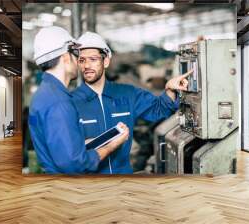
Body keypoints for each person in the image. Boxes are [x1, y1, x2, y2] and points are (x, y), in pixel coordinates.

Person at [71, 31, 191, 174]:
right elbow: (68, 151)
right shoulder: (71, 102)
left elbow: (159, 110)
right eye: (82, 60)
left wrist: (170, 90)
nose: (86, 65)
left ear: (106, 61)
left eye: (93, 59)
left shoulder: (128, 94)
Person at [28, 27, 129, 174]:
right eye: (76, 55)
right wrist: (112, 145)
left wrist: (95, 142)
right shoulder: (59, 103)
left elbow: (61, 147)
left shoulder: (45, 93)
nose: (80, 63)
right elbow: (74, 164)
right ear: (66, 57)